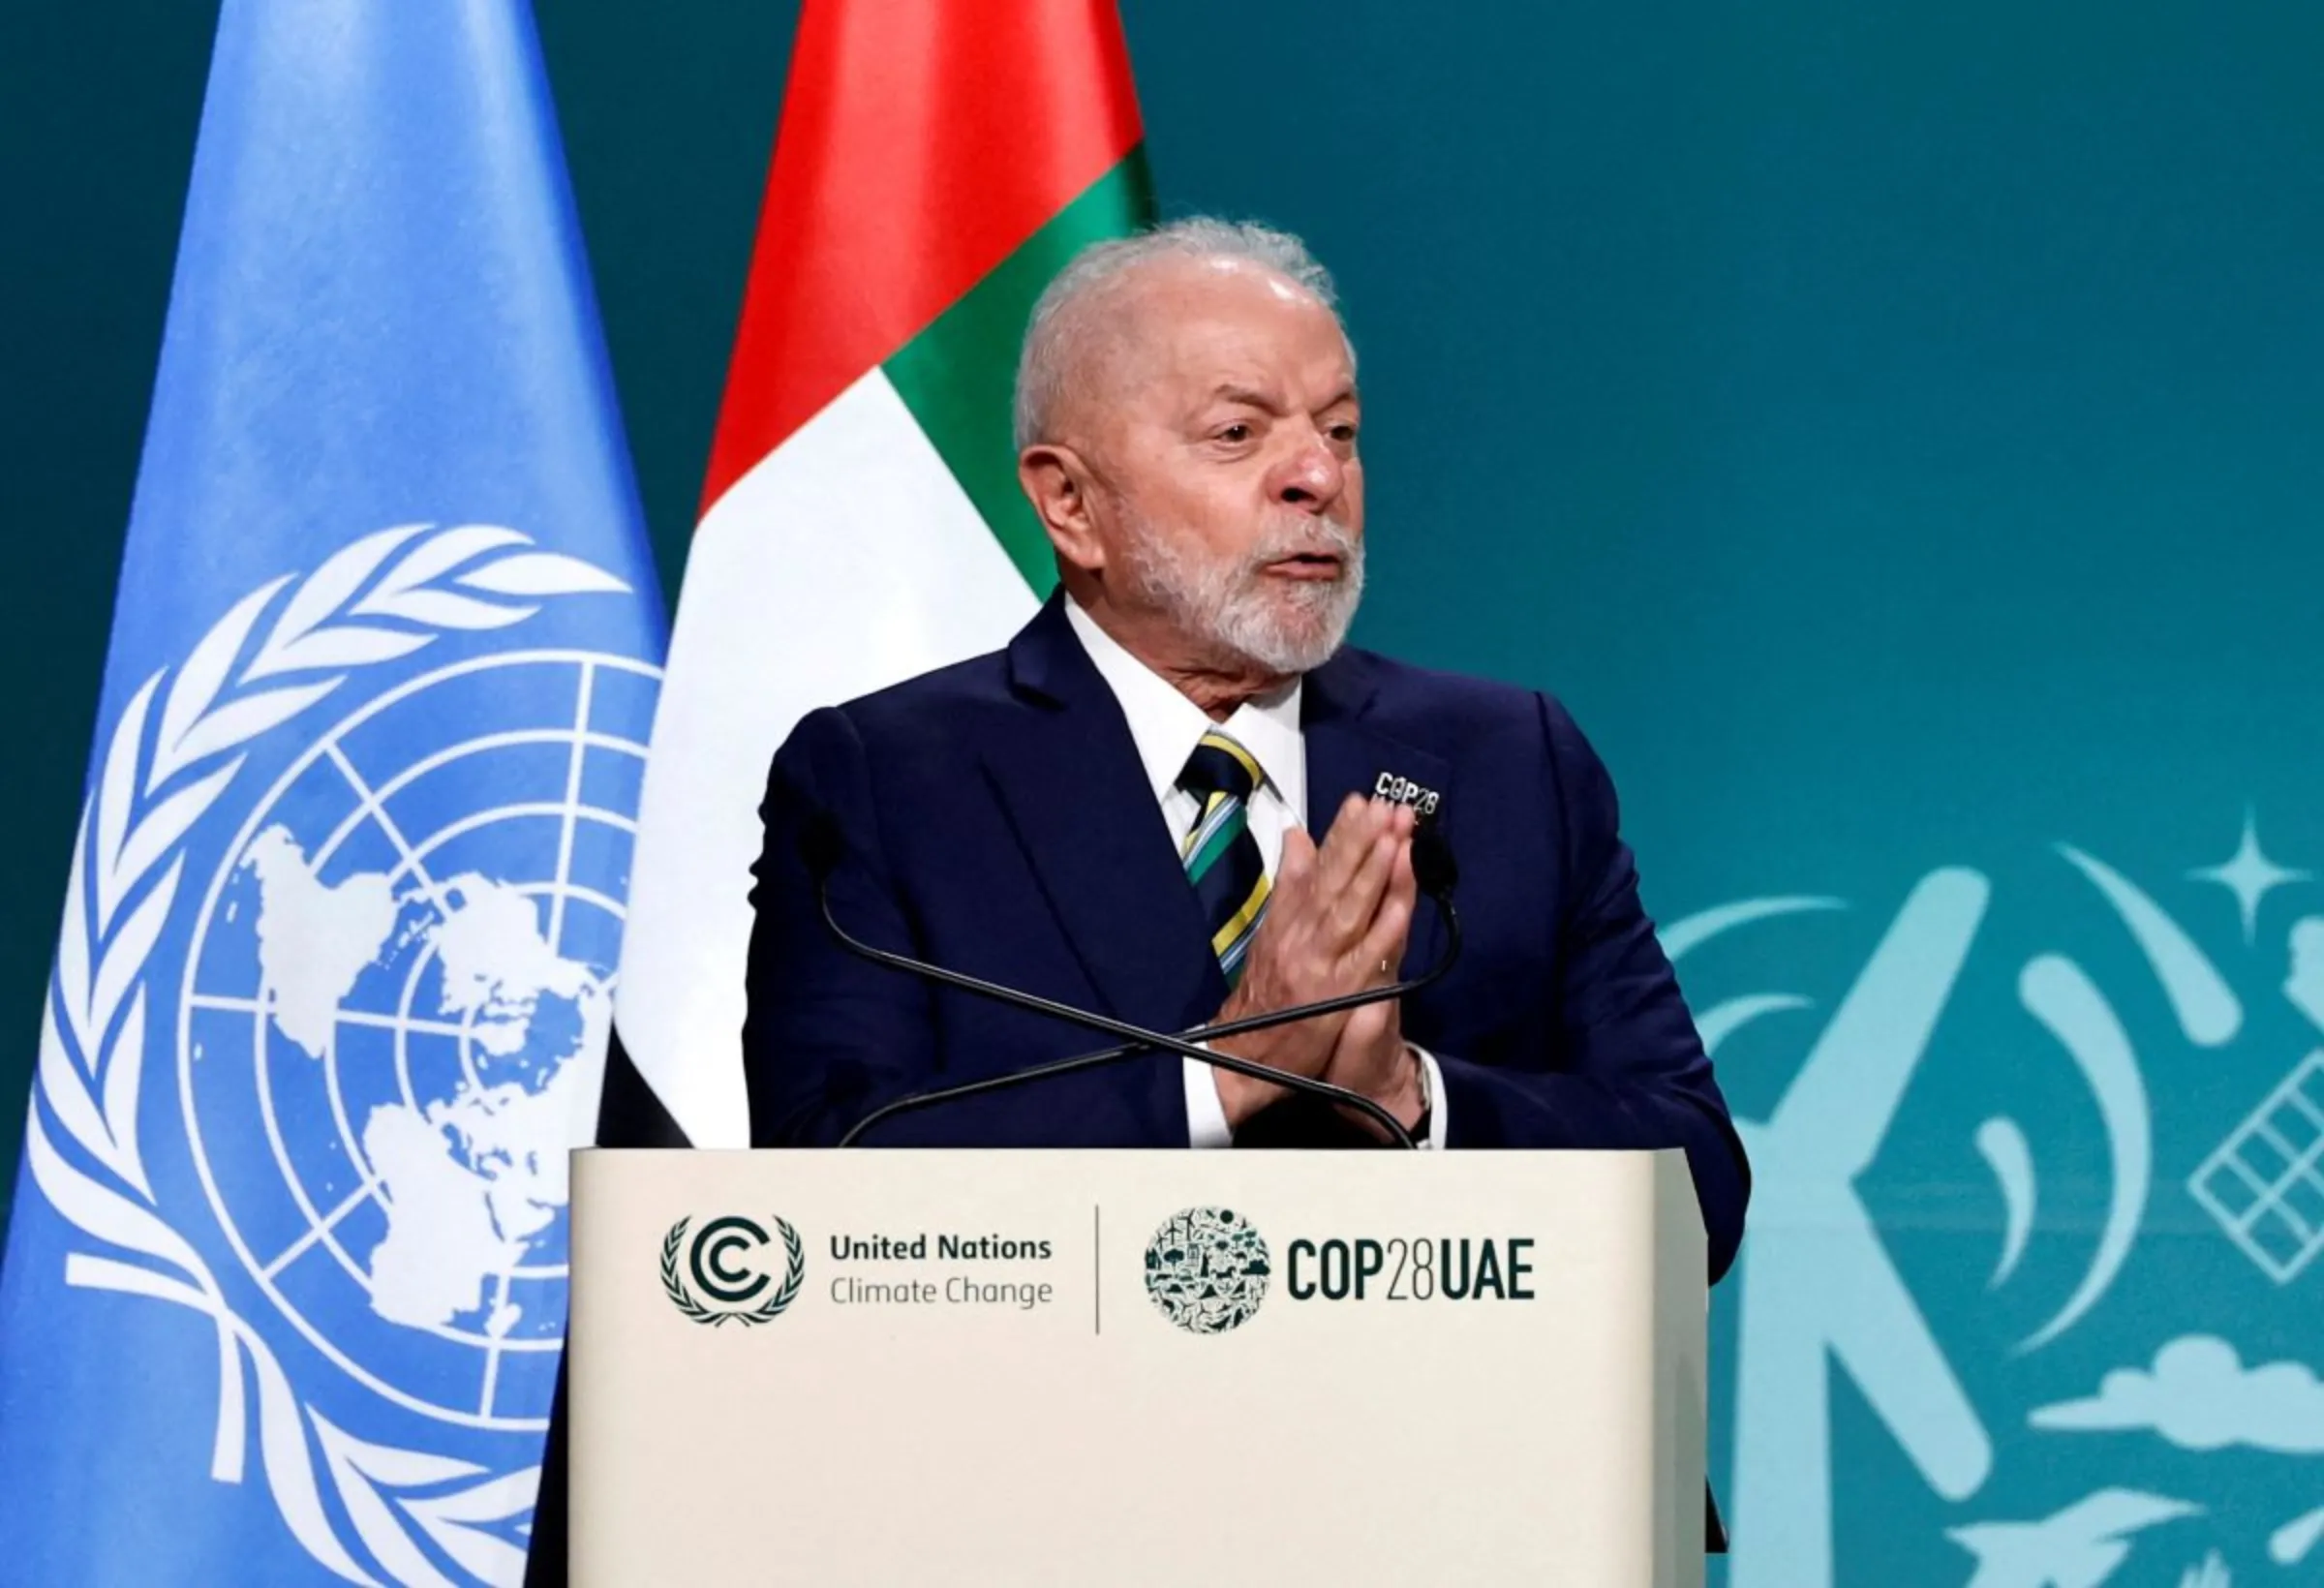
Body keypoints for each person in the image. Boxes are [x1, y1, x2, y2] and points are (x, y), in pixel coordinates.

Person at [741, 217, 1748, 1280]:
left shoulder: (1508, 761)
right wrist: (1230, 1072)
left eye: (1343, 431)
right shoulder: (891, 780)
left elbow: (1700, 1189)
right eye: (1238, 433)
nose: (1317, 475)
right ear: (1070, 503)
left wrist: (1409, 1096)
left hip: (1437, 1428)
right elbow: (824, 1177)